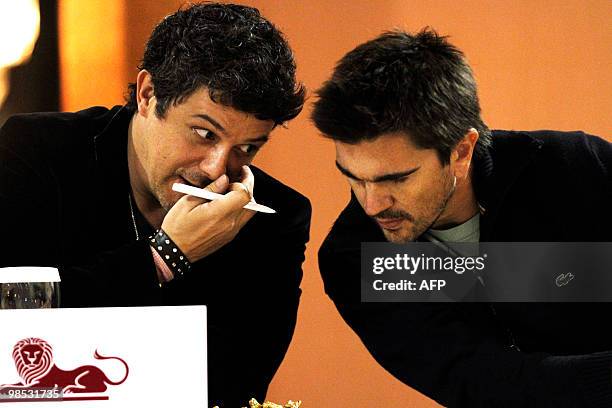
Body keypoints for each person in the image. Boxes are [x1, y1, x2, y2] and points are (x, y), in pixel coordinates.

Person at [0, 3, 310, 406]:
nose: (217, 169)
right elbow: (13, 319)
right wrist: (164, 257)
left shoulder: (274, 218)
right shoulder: (35, 152)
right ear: (148, 94)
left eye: (247, 148)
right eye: (203, 133)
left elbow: (232, 385)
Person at [312, 29, 611, 407]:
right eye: (354, 178)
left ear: (461, 150)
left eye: (397, 178)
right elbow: (488, 385)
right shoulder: (356, 259)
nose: (372, 205)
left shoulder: (581, 168)